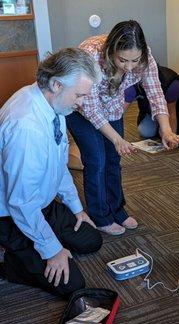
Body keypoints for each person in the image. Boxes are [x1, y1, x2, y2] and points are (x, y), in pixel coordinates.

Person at [66, 20, 179, 236]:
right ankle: (100, 215)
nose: (129, 67)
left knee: (113, 159)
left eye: (134, 61)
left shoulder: (145, 56)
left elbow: (155, 92)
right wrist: (117, 139)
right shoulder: (91, 55)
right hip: (80, 108)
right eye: (123, 60)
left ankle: (117, 209)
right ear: (112, 50)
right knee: (97, 160)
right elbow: (91, 108)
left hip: (111, 106)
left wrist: (166, 129)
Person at [0, 48, 103, 297]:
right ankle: (11, 263)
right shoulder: (26, 127)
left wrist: (77, 208)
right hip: (11, 215)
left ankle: (42, 238)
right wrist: (52, 250)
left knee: (91, 239)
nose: (81, 103)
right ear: (56, 84)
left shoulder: (54, 106)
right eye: (79, 95)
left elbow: (58, 166)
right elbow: (20, 203)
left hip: (40, 201)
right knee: (72, 285)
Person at [125, 65, 179, 138]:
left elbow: (171, 112)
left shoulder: (171, 84)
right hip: (149, 109)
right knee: (145, 132)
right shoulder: (132, 83)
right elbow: (119, 111)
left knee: (177, 134)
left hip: (177, 109)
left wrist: (170, 136)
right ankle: (157, 123)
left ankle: (162, 127)